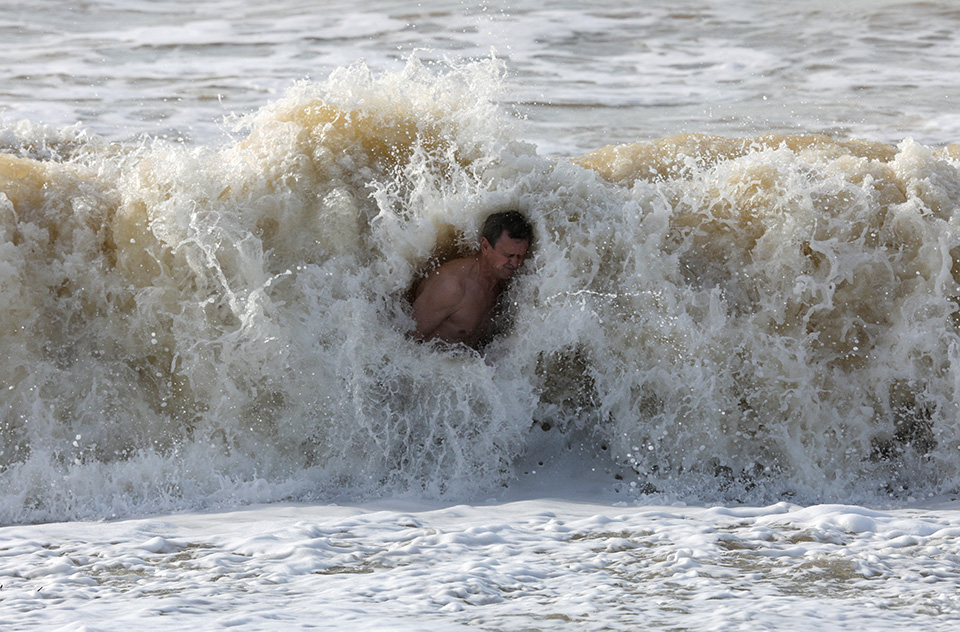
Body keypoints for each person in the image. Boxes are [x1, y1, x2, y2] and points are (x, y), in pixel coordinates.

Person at [412, 210, 532, 347]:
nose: (515, 263)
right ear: (485, 246)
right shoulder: (451, 287)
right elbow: (404, 341)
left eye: (520, 256)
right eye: (508, 255)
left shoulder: (501, 288)